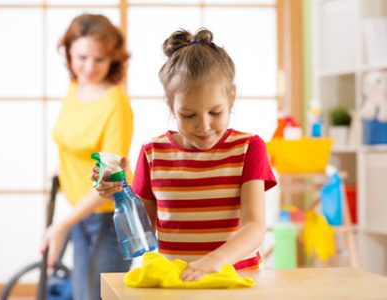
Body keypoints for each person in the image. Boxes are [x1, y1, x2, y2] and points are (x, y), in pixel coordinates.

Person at [92, 28, 277, 282]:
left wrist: (214, 261)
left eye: (215, 112)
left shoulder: (248, 148)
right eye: (188, 115)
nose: (203, 126)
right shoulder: (153, 153)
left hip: (235, 280)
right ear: (171, 104)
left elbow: (254, 227)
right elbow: (143, 230)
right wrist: (119, 191)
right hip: (176, 282)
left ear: (231, 97)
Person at [41, 14, 132, 300]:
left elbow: (109, 183)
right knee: (82, 293)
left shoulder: (116, 104)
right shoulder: (76, 88)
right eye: (82, 57)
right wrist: (62, 170)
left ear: (113, 59)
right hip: (79, 212)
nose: (89, 67)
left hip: (108, 219)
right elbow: (73, 141)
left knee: (96, 296)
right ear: (68, 51)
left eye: (100, 60)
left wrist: (62, 225)